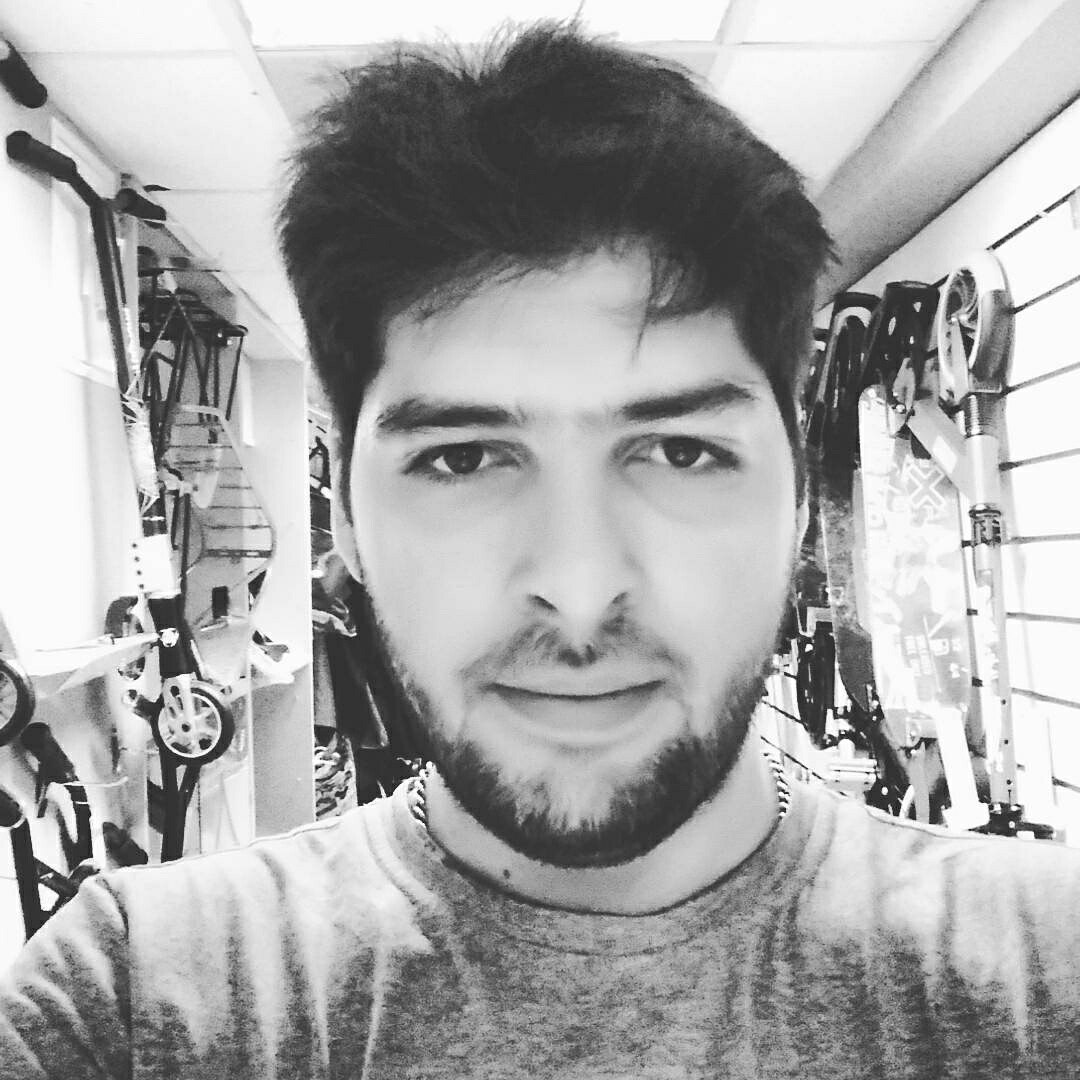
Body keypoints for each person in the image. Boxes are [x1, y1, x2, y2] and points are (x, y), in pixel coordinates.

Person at [3, 20, 1080, 1079]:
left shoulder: (1046, 974)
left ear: (802, 500)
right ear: (349, 525)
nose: (578, 586)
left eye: (681, 451)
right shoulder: (135, 1002)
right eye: (463, 458)